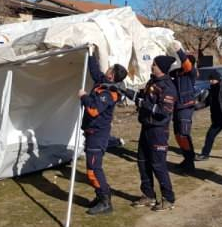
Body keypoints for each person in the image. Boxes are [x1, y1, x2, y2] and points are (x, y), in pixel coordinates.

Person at [78, 46, 128, 215]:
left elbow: (93, 110)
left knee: (93, 170)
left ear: (112, 75)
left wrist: (84, 96)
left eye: (110, 69)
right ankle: (100, 197)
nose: (107, 69)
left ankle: (105, 201)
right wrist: (91, 53)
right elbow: (94, 71)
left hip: (98, 135)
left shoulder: (109, 92)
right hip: (92, 133)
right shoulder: (103, 82)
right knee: (93, 168)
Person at [125, 55, 178, 212]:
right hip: (146, 128)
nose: (151, 66)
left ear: (161, 68)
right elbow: (141, 98)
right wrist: (123, 89)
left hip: (158, 130)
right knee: (142, 162)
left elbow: (163, 111)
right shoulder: (152, 82)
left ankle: (168, 199)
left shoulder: (168, 86)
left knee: (158, 165)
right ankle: (148, 195)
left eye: (154, 65)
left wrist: (144, 104)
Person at [169, 40, 198, 173]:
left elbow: (187, 64)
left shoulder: (190, 73)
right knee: (177, 135)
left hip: (186, 107)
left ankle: (190, 162)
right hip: (176, 107)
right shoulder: (176, 73)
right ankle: (186, 159)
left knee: (184, 134)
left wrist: (179, 50)